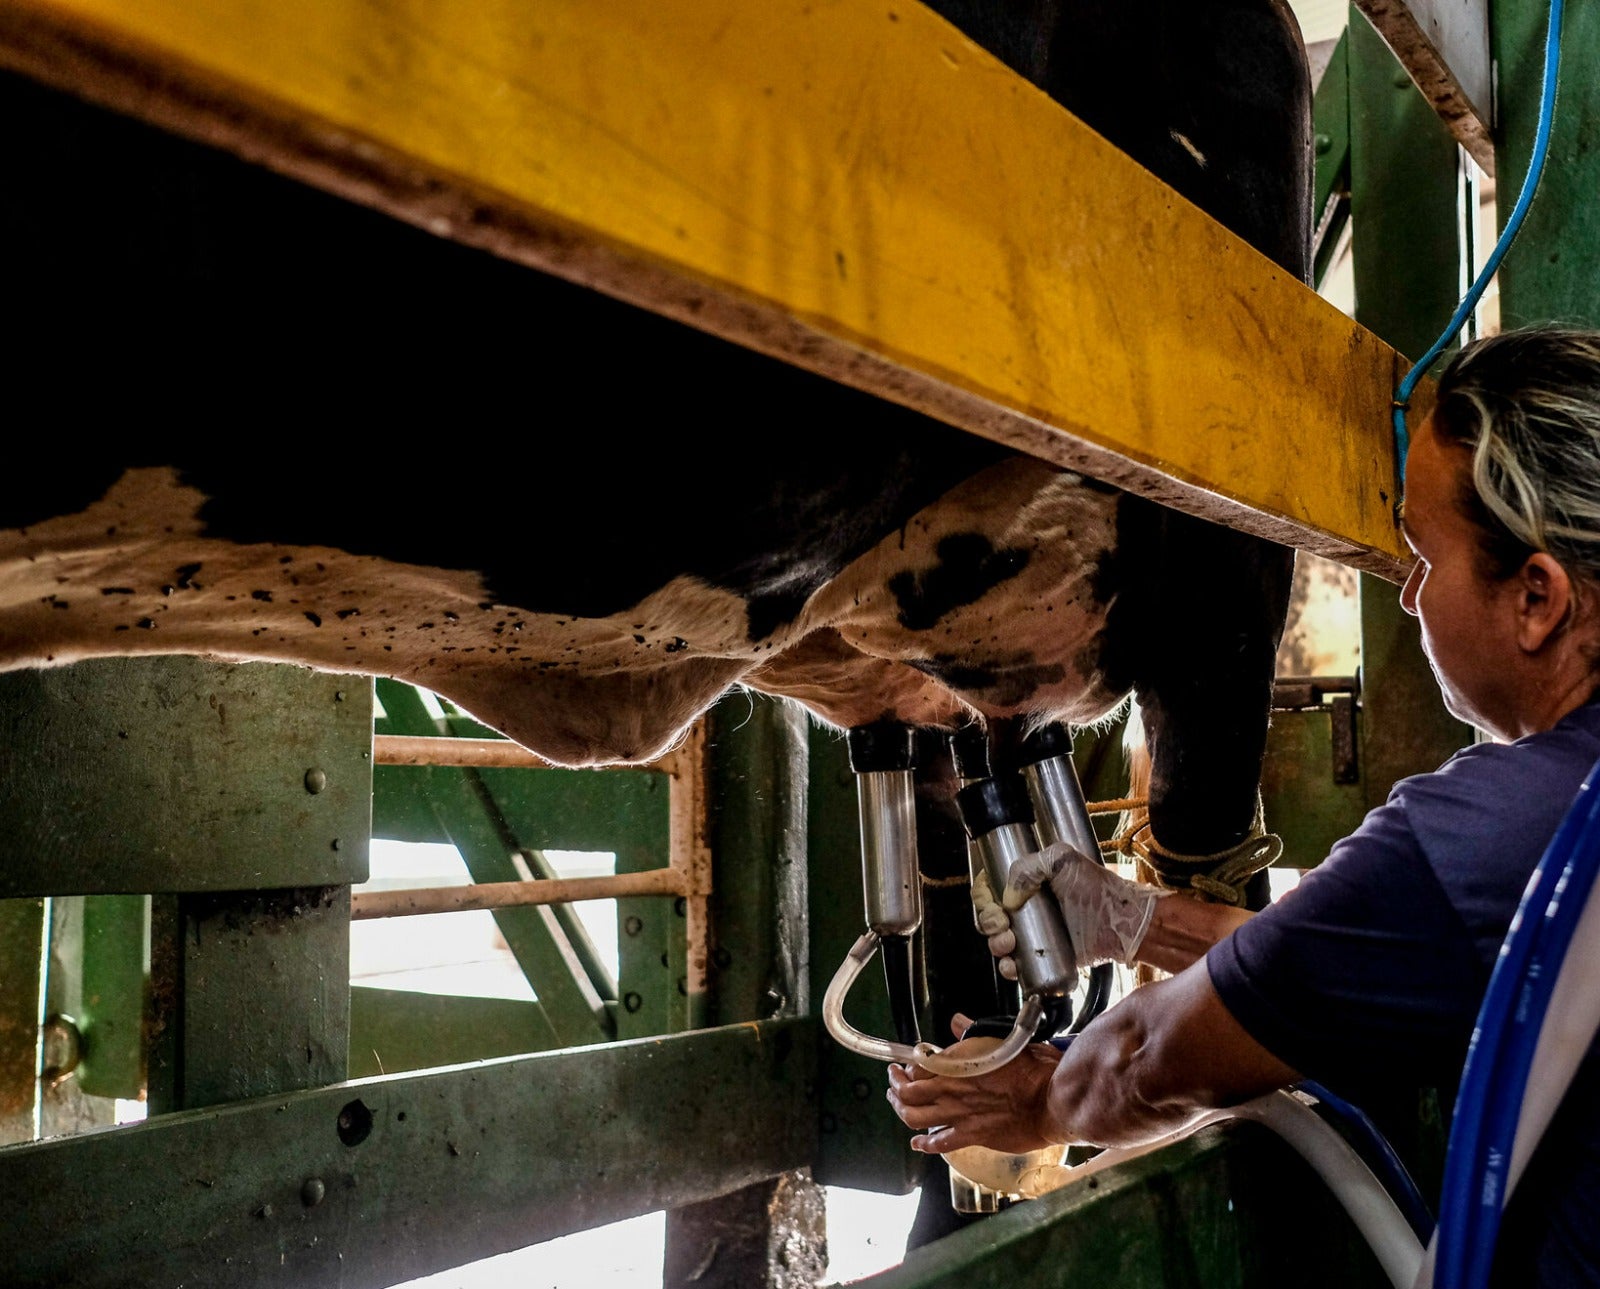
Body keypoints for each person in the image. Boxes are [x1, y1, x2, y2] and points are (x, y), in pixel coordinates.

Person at [887, 325, 1600, 1285]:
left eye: (1422, 561)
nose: (1409, 600)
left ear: (1538, 597)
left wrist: (1044, 1095)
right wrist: (1138, 921)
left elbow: (1147, 1055)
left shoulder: (1485, 838)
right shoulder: (1535, 839)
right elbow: (1359, 953)